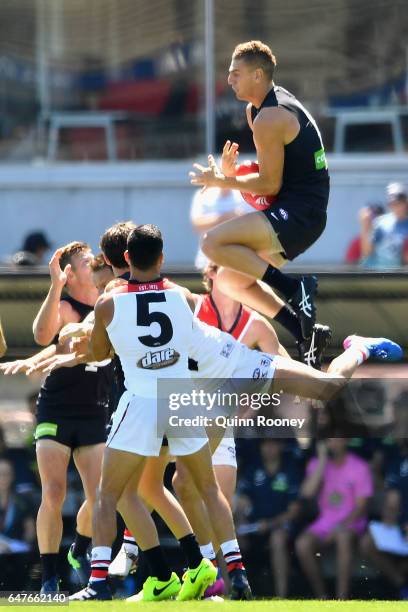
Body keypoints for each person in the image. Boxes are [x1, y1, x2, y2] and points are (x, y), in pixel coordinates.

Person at [190, 40, 330, 361]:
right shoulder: (257, 111)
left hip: (300, 215)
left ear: (257, 75)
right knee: (227, 281)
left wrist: (223, 181)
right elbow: (269, 180)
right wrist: (233, 173)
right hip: (296, 211)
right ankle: (303, 333)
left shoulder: (269, 116)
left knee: (212, 244)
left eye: (235, 74)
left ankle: (296, 290)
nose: (229, 80)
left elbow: (270, 183)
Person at [31, 242, 112, 593]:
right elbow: (41, 336)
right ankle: (48, 578)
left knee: (100, 496)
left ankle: (79, 548)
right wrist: (54, 286)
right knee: (54, 491)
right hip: (57, 409)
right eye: (83, 261)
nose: (91, 262)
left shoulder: (108, 301)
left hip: (96, 409)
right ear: (70, 272)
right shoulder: (64, 305)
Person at [295, 438, 374, 599]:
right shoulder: (317, 463)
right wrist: (323, 460)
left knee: (343, 537)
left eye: (335, 438)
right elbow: (306, 493)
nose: (331, 442)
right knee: (302, 544)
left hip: (352, 522)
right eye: (327, 439)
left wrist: (340, 527)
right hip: (324, 523)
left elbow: (361, 507)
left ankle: (341, 600)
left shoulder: (359, 466)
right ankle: (322, 597)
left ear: (345, 440)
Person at [236, 439, 303, 598]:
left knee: (277, 539)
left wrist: (271, 523)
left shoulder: (290, 469)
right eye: (265, 444)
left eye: (274, 444)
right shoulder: (253, 468)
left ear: (280, 446)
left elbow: (295, 511)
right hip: (254, 525)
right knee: (230, 539)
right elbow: (242, 502)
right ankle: (231, 592)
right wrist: (242, 520)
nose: (269, 448)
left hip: (283, 526)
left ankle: (281, 596)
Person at [190, 186, 252, 269]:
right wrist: (226, 217)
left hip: (238, 260)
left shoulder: (245, 193)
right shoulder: (203, 194)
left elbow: (252, 222)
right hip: (207, 261)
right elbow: (197, 224)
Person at [360, 182, 408, 268]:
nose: (396, 207)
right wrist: (365, 227)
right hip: (378, 272)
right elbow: (367, 252)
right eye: (392, 204)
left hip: (399, 275)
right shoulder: (381, 222)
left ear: (405, 203)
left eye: (399, 203)